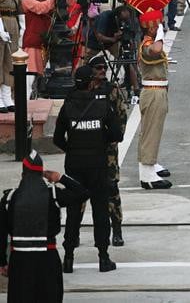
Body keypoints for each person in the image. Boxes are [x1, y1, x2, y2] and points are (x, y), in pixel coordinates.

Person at [53, 65, 124, 274]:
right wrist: (100, 143)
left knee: (74, 212)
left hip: (75, 165)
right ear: (91, 83)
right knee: (100, 212)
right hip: (97, 165)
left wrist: (72, 149)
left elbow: (58, 138)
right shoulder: (101, 106)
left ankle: (68, 258)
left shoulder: (67, 106)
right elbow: (117, 134)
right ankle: (103, 257)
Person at [0, 151, 90, 302]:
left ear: (23, 174)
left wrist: (2, 262)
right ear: (41, 174)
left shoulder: (9, 198)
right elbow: (83, 193)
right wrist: (61, 178)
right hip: (47, 258)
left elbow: (1, 234)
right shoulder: (53, 194)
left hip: (20, 261)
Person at [87, 55, 128, 247]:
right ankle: (75, 231)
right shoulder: (84, 89)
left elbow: (122, 115)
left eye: (104, 67)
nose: (103, 70)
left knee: (111, 188)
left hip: (108, 149)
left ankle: (117, 228)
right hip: (88, 148)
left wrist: (115, 137)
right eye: (98, 68)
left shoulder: (111, 90)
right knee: (82, 188)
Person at [137, 10, 172, 189]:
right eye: (157, 24)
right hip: (153, 92)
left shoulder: (149, 42)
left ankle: (151, 164)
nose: (161, 25)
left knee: (153, 130)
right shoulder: (147, 44)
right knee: (151, 132)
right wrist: (159, 35)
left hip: (157, 91)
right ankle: (147, 175)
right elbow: (156, 50)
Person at [84, 5, 140, 102]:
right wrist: (113, 38)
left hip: (112, 43)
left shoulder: (124, 19)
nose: (126, 19)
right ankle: (83, 85)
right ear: (119, 13)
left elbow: (128, 31)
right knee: (85, 63)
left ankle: (136, 88)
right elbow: (99, 36)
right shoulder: (105, 17)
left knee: (127, 61)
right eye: (124, 17)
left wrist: (126, 38)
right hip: (96, 42)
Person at [21, 0, 56, 77]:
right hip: (32, 43)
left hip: (44, 43)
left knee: (42, 75)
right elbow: (42, 8)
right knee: (32, 75)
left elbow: (65, 3)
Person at [0, 0, 21, 113]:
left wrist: (22, 23)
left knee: (11, 60)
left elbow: (18, 3)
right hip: (1, 20)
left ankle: (7, 95)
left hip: (13, 21)